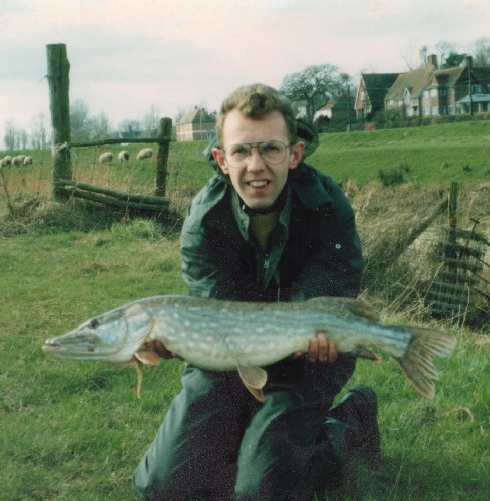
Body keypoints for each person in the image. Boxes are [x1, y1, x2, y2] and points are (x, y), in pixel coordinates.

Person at [132, 83, 379, 501]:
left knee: (261, 491)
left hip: (309, 359)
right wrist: (171, 342)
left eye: (270, 149)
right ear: (221, 160)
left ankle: (350, 422)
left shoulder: (327, 207)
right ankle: (252, 431)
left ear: (294, 154)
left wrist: (315, 337)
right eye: (242, 151)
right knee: (162, 486)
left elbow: (327, 298)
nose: (256, 166)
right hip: (226, 360)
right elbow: (213, 319)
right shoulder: (204, 222)